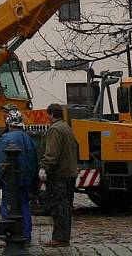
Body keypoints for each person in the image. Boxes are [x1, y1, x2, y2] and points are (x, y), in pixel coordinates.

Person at [0, 109, 37, 246]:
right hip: (25, 179)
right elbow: (34, 160)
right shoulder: (29, 139)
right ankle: (26, 236)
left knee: (8, 206)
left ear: (8, 123)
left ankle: (9, 235)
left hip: (10, 181)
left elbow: (1, 161)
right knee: (24, 206)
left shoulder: (6, 138)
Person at [39, 103, 79, 247]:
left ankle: (59, 238)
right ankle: (63, 237)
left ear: (50, 114)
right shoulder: (66, 127)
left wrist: (44, 168)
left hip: (59, 175)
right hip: (69, 173)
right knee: (66, 207)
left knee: (59, 207)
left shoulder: (55, 129)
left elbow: (52, 153)